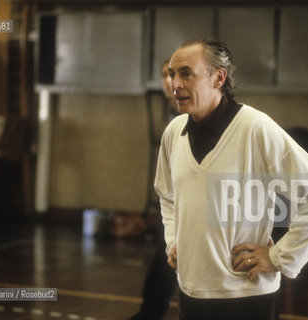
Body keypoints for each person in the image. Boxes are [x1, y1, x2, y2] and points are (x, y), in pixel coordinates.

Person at [154, 38, 308, 320]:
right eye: (172, 74)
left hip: (247, 297)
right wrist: (173, 241)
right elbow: (167, 195)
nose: (174, 84)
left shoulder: (255, 127)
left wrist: (279, 256)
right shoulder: (173, 132)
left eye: (186, 73)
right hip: (191, 293)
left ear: (218, 77)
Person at [130, 59, 178, 320]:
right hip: (173, 207)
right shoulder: (173, 113)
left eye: (178, 73)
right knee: (164, 262)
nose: (170, 81)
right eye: (166, 74)